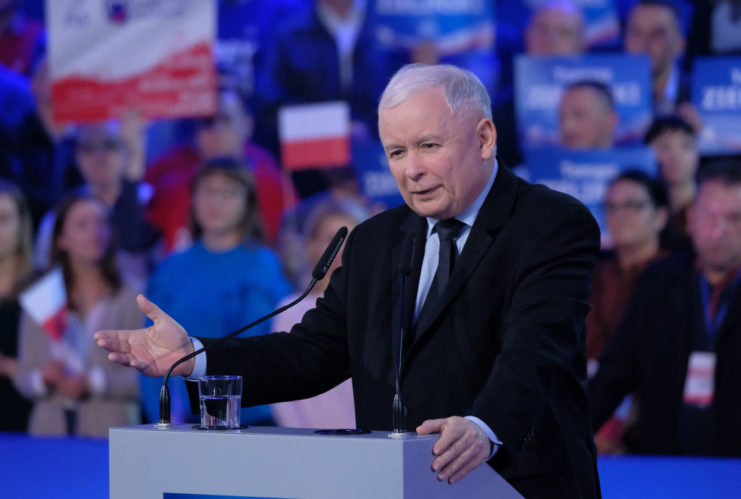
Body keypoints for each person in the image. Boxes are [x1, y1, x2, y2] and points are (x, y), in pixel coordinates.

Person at [96, 64, 601, 497]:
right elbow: (309, 355)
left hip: (516, 482)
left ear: (485, 137)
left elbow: (535, 351)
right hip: (397, 486)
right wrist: (194, 356)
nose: (412, 171)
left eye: (429, 146)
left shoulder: (550, 224)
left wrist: (483, 426)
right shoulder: (375, 240)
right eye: (397, 153)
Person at [589, 161, 741, 456]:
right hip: (662, 463)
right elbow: (615, 372)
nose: (718, 231)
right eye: (709, 216)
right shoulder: (658, 279)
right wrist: (569, 439)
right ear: (691, 218)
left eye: (734, 218)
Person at [142, 157, 292, 425]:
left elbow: (254, 347)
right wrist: (162, 419)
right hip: (183, 418)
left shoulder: (261, 265)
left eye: (228, 192)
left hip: (248, 419)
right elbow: (149, 348)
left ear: (247, 202)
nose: (215, 202)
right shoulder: (172, 267)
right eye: (207, 190)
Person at [14, 194, 142, 437]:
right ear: (62, 239)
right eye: (82, 225)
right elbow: (23, 375)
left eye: (100, 222)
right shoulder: (43, 297)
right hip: (50, 434)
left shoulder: (131, 296)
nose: (94, 231)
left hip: (110, 434)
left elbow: (147, 376)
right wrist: (42, 377)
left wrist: (94, 382)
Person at [145, 86, 292, 252]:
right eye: (208, 122)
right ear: (196, 132)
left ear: (248, 125)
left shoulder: (274, 184)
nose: (217, 131)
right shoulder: (170, 186)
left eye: (226, 120)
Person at [586, 171, 669, 454]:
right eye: (611, 207)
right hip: (590, 406)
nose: (620, 215)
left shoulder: (679, 279)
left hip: (650, 422)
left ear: (660, 216)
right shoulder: (589, 275)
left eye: (633, 206)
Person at [271, 198, 368, 429]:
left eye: (352, 238)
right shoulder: (291, 311)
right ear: (311, 245)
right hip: (308, 445)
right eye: (332, 239)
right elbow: (281, 391)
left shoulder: (379, 309)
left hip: (369, 440)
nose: (343, 249)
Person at [0, 180, 33, 431]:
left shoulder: (42, 287)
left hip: (28, 421)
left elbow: (67, 361)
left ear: (21, 225)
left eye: (3, 219)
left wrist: (8, 366)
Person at [624, 0, 693, 117]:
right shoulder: (609, 98)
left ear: (679, 45)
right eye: (637, 33)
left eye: (657, 34)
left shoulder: (697, 95)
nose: (644, 45)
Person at [644, 115, 698, 243]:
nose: (675, 156)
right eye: (664, 147)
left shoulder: (711, 205)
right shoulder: (642, 211)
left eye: (685, 146)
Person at [558, 80, 618, 150]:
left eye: (579, 115)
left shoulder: (630, 160)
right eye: (562, 117)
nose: (568, 126)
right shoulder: (545, 159)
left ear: (610, 121)